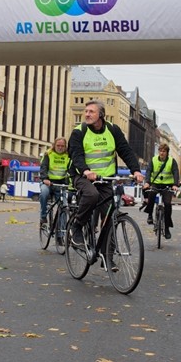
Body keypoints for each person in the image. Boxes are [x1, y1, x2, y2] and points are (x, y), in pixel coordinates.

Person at [67, 100, 144, 251]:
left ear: (101, 115)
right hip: (81, 176)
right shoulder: (79, 131)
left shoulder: (113, 130)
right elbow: (76, 155)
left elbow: (125, 151)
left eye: (91, 112)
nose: (87, 114)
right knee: (91, 195)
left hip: (105, 179)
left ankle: (107, 255)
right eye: (86, 111)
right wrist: (86, 171)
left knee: (110, 216)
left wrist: (135, 170)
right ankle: (76, 227)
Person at [142, 143, 180, 239]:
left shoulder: (172, 161)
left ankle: (166, 228)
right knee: (151, 194)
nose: (162, 153)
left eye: (164, 151)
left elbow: (176, 172)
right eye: (160, 151)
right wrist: (147, 182)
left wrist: (175, 184)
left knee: (167, 204)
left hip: (167, 185)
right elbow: (148, 171)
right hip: (155, 183)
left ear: (167, 153)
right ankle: (150, 215)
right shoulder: (154, 160)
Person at [39, 137, 71, 226]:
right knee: (44, 193)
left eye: (62, 146)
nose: (60, 147)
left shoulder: (68, 156)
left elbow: (70, 170)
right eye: (58, 145)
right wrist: (45, 178)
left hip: (61, 184)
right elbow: (43, 167)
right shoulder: (48, 154)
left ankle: (61, 232)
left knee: (64, 206)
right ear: (54, 145)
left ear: (65, 147)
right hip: (48, 182)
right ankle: (43, 216)